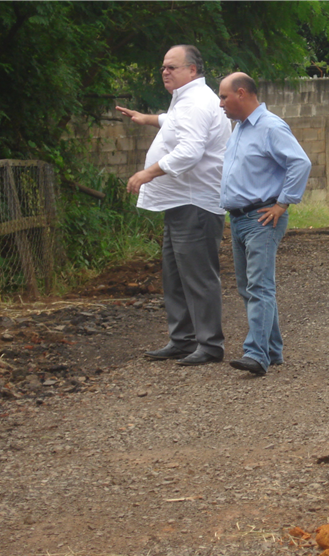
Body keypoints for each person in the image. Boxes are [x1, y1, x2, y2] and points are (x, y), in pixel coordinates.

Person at [116, 45, 231, 366]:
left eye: (172, 67)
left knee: (197, 276)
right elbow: (175, 122)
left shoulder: (196, 101)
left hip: (195, 203)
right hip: (181, 202)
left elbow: (189, 151)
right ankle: (183, 340)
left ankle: (209, 345)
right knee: (175, 275)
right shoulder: (189, 99)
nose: (165, 71)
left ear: (192, 70)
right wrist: (147, 119)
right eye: (163, 67)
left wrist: (147, 173)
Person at [218, 73, 312, 376]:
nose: (220, 104)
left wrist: (283, 203)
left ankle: (256, 354)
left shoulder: (270, 127)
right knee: (248, 287)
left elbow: (300, 162)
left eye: (223, 97)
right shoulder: (240, 129)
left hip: (261, 218)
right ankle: (272, 350)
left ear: (241, 94)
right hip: (240, 218)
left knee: (260, 286)